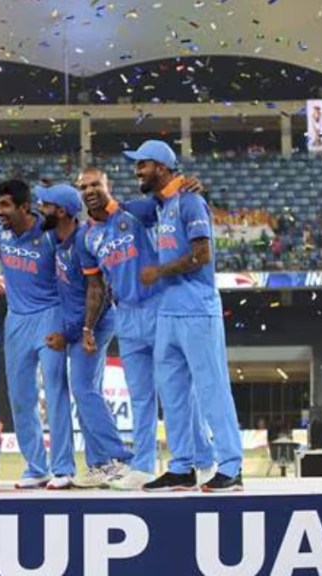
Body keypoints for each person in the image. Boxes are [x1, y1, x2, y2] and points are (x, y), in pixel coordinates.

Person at [77, 166, 217, 490]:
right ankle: (142, 466)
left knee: (176, 390)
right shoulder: (87, 238)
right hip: (125, 316)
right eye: (83, 187)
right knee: (140, 396)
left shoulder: (137, 211)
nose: (90, 191)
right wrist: (88, 327)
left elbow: (174, 202)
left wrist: (190, 185)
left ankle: (203, 460)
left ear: (108, 185)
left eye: (95, 184)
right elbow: (96, 287)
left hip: (158, 306)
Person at [128, 139, 244, 492]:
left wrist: (159, 271)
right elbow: (119, 209)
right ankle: (181, 466)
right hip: (169, 311)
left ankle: (231, 466)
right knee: (173, 393)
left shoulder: (190, 201)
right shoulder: (161, 205)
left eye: (142, 164)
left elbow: (202, 255)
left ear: (162, 167)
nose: (137, 170)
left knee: (211, 388)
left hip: (196, 309)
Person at [38, 183, 135, 489]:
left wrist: (82, 332)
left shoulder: (81, 240)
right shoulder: (60, 240)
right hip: (81, 326)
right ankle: (99, 464)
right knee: (85, 391)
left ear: (61, 211)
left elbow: (99, 290)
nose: (40, 210)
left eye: (45, 205)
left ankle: (119, 458)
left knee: (84, 390)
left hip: (93, 324)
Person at [0, 179, 71, 490]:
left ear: (25, 207)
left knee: (55, 391)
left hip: (50, 315)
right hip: (16, 319)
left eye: (5, 205)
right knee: (21, 396)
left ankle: (63, 467)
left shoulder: (50, 234)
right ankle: (36, 467)